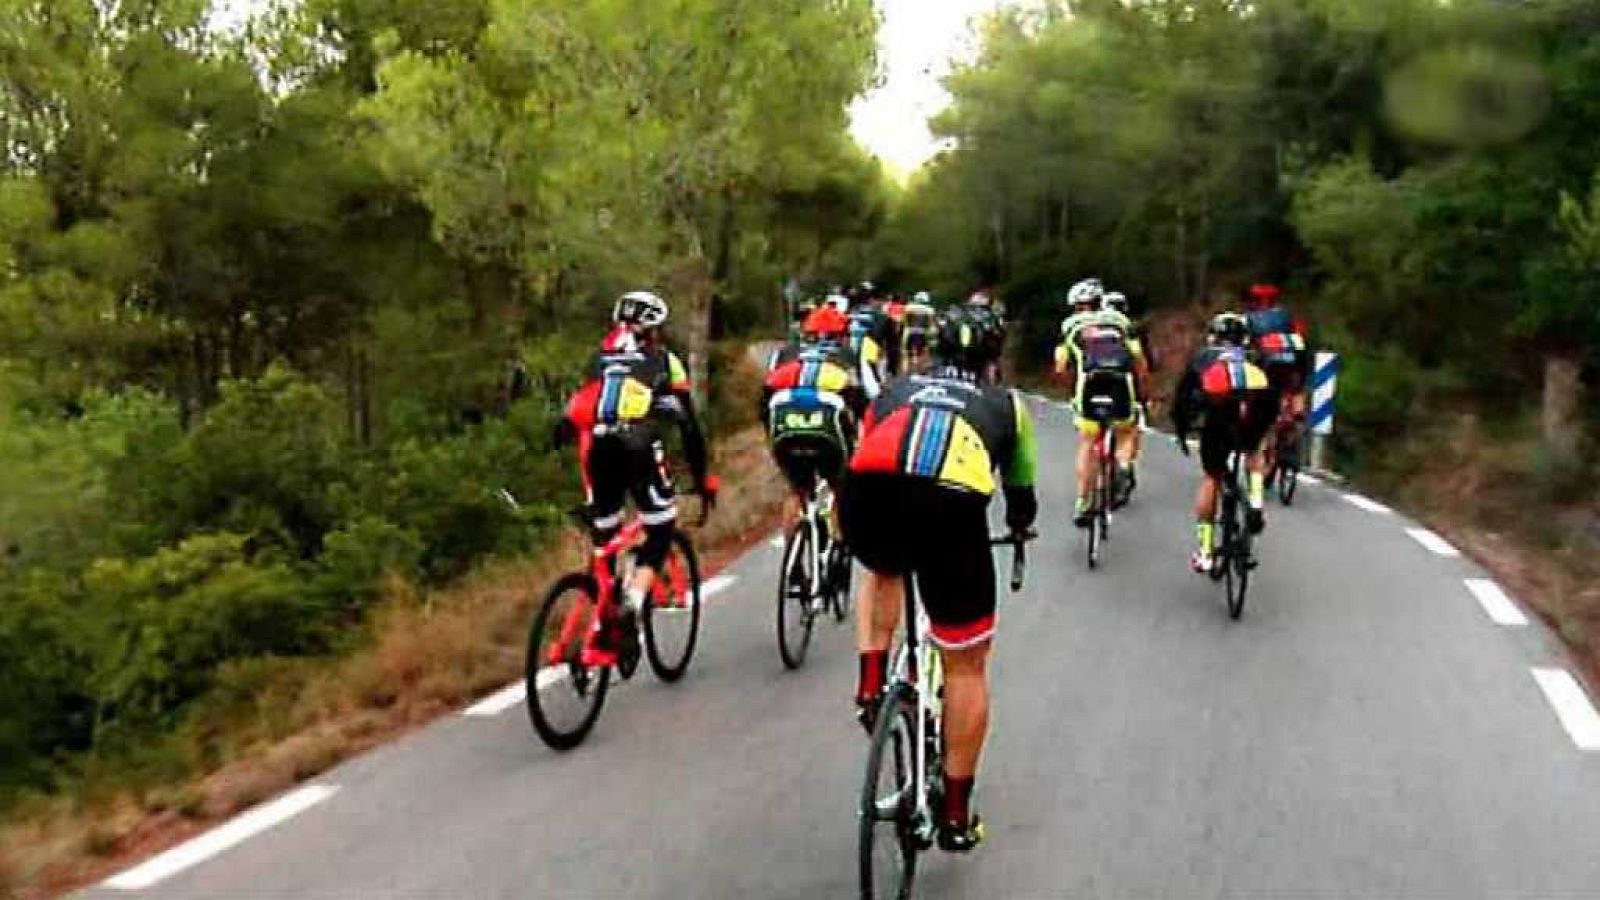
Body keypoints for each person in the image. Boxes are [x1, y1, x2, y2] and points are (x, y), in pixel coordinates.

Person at [842, 305, 1038, 854]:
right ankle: (954, 814)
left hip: (868, 491)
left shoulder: (894, 389)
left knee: (883, 567)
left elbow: (865, 447)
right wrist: (1020, 528)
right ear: (993, 357)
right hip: (950, 508)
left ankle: (871, 680)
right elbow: (1020, 492)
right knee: (967, 663)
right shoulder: (1006, 406)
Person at [556, 291, 718, 674]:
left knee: (605, 537)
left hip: (596, 449)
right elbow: (689, 426)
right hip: (637, 446)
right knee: (660, 528)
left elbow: (577, 413)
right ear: (655, 330)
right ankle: (632, 602)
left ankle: (604, 616)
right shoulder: (666, 361)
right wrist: (701, 479)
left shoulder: (598, 357)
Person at [760, 305, 874, 568]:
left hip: (785, 429)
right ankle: (837, 552)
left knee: (796, 491)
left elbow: (765, 400)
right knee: (840, 487)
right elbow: (868, 399)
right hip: (829, 434)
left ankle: (794, 562)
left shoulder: (783, 354)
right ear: (841, 334)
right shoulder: (848, 355)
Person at [1171, 312, 1279, 573]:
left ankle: (1206, 552)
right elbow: (1272, 396)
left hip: (1218, 422)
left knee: (1212, 477)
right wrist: (1267, 428)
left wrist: (1183, 432)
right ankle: (1255, 501)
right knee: (1253, 451)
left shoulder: (1203, 358)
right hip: (1252, 416)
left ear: (1213, 336)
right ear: (1245, 338)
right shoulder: (1257, 358)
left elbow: (1183, 401)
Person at [1054, 279, 1142, 526]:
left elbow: (1061, 366)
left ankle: (1083, 501)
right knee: (1126, 432)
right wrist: (1143, 387)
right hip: (1121, 385)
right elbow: (1137, 359)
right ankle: (1123, 466)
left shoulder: (1070, 326)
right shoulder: (1120, 322)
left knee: (1087, 442)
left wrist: (1069, 390)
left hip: (1089, 387)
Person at [1243, 283, 1311, 480]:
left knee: (1257, 399)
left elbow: (1245, 347)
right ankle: (1295, 414)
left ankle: (1257, 435)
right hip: (1291, 364)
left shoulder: (1249, 319)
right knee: (1295, 387)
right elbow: (1300, 341)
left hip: (1265, 367)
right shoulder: (1286, 316)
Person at [1100, 291, 1153, 494]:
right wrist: (1145, 394)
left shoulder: (1092, 330)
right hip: (1126, 386)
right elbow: (1145, 365)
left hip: (1092, 388)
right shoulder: (1132, 329)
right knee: (1130, 431)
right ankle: (1124, 465)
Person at [901, 291, 937, 371]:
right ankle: (920, 368)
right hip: (922, 332)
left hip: (909, 331)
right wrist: (933, 336)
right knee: (921, 351)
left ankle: (908, 368)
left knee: (908, 351)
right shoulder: (929, 310)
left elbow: (903, 320)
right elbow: (931, 324)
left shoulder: (908, 307)